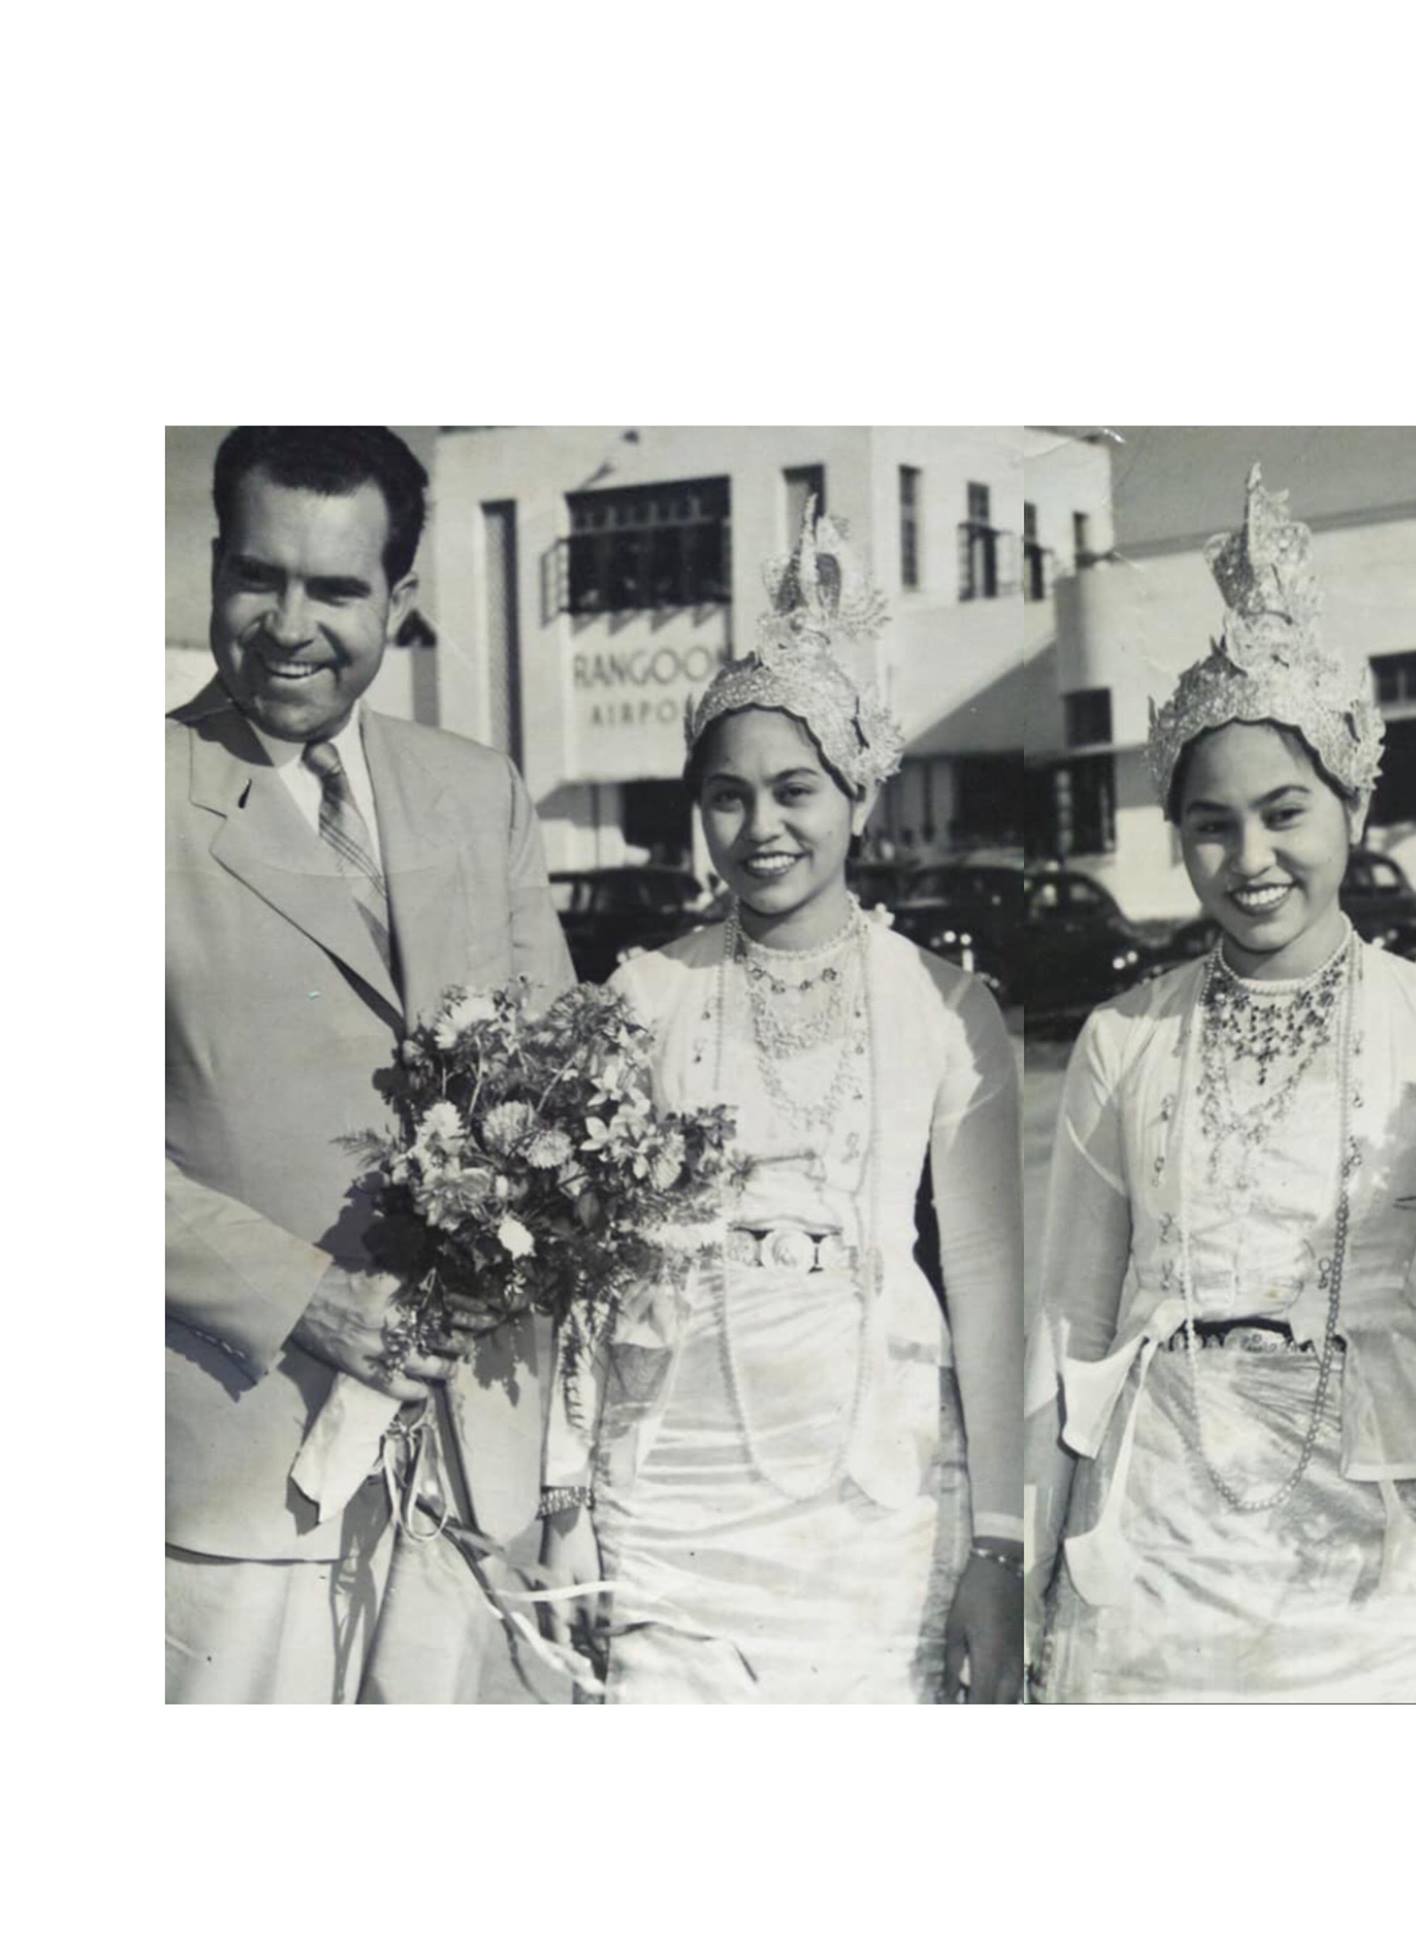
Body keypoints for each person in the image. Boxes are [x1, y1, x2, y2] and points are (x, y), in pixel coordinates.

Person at [1027, 468, 1416, 1703]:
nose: (1249, 858)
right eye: (1211, 824)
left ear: (1351, 804)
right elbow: (1068, 1336)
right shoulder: (1123, 1036)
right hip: (1153, 1550)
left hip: (1372, 1567)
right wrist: (1024, 1565)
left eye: (1284, 812)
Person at [541, 505, 1026, 1702]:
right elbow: (581, 1290)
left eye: (796, 788)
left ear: (857, 791)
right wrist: (560, 1499)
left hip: (872, 1504)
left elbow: (987, 1281)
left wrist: (1000, 1538)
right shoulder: (644, 996)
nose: (762, 827)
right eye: (727, 796)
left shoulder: (943, 1003)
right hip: (670, 1499)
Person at [166, 425, 574, 1704]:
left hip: (474, 1463)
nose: (289, 624)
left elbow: (566, 1085)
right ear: (213, 566)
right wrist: (306, 1296)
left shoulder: (478, 789)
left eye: (336, 587)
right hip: (239, 1473)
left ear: (398, 600)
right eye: (257, 577)